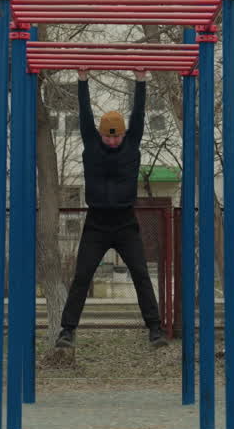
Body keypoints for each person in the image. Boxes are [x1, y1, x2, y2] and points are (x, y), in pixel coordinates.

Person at [55, 69, 168, 350]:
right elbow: (84, 117)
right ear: (101, 134)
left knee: (141, 273)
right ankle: (67, 331)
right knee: (82, 275)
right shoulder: (92, 144)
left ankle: (155, 329)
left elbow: (139, 115)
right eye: (109, 137)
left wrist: (141, 81)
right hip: (96, 223)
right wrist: (82, 81)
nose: (114, 141)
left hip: (125, 222)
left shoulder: (132, 143)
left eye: (117, 137)